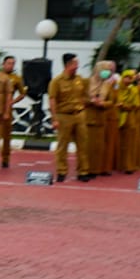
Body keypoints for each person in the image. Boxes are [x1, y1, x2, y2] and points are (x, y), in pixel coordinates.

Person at [49, 53, 90, 182]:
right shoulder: (57, 81)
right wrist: (54, 119)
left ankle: (83, 171)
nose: (77, 66)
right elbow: (52, 100)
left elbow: (84, 95)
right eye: (74, 63)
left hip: (79, 115)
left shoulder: (80, 79)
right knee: (62, 146)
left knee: (83, 145)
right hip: (64, 116)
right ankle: (61, 171)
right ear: (68, 65)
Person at [85, 60, 119, 177]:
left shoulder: (107, 85)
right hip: (88, 118)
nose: (107, 73)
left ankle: (95, 169)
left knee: (98, 147)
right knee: (87, 146)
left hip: (101, 118)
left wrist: (102, 103)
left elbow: (112, 102)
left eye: (109, 70)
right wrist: (91, 101)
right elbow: (80, 98)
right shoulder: (87, 83)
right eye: (105, 70)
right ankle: (85, 169)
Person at [0, 56, 25, 168]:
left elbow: (22, 93)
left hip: (8, 109)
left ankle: (5, 159)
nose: (11, 65)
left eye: (13, 63)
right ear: (3, 64)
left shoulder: (16, 78)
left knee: (6, 136)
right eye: (9, 63)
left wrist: (12, 102)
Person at [117, 69, 140, 173]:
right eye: (126, 77)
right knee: (119, 143)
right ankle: (119, 165)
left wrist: (124, 106)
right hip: (117, 118)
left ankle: (129, 166)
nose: (127, 80)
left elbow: (137, 105)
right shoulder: (118, 88)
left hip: (129, 118)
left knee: (129, 144)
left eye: (130, 78)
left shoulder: (134, 90)